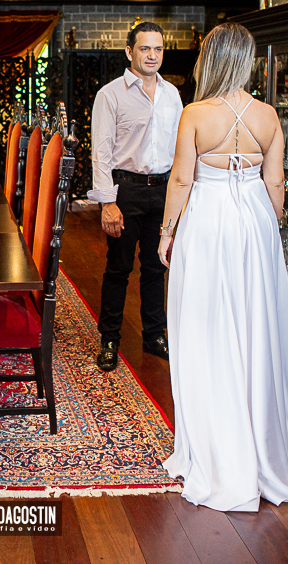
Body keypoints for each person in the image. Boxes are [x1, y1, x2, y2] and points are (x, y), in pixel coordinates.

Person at [158, 23, 288, 512]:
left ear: (210, 59)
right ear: (246, 61)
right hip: (255, 223)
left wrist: (167, 232)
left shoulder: (195, 113)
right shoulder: (267, 115)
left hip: (209, 222)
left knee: (206, 325)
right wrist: (265, 225)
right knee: (255, 323)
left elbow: (181, 179)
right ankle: (261, 432)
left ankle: (217, 442)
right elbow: (276, 185)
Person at [87, 22, 183, 372]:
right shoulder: (110, 95)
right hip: (125, 190)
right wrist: (107, 203)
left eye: (158, 49)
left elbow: (180, 148)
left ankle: (154, 335)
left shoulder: (172, 95)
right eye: (145, 48)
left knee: (157, 267)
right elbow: (101, 153)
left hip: (163, 190)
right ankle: (109, 339)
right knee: (119, 268)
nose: (152, 55)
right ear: (130, 52)